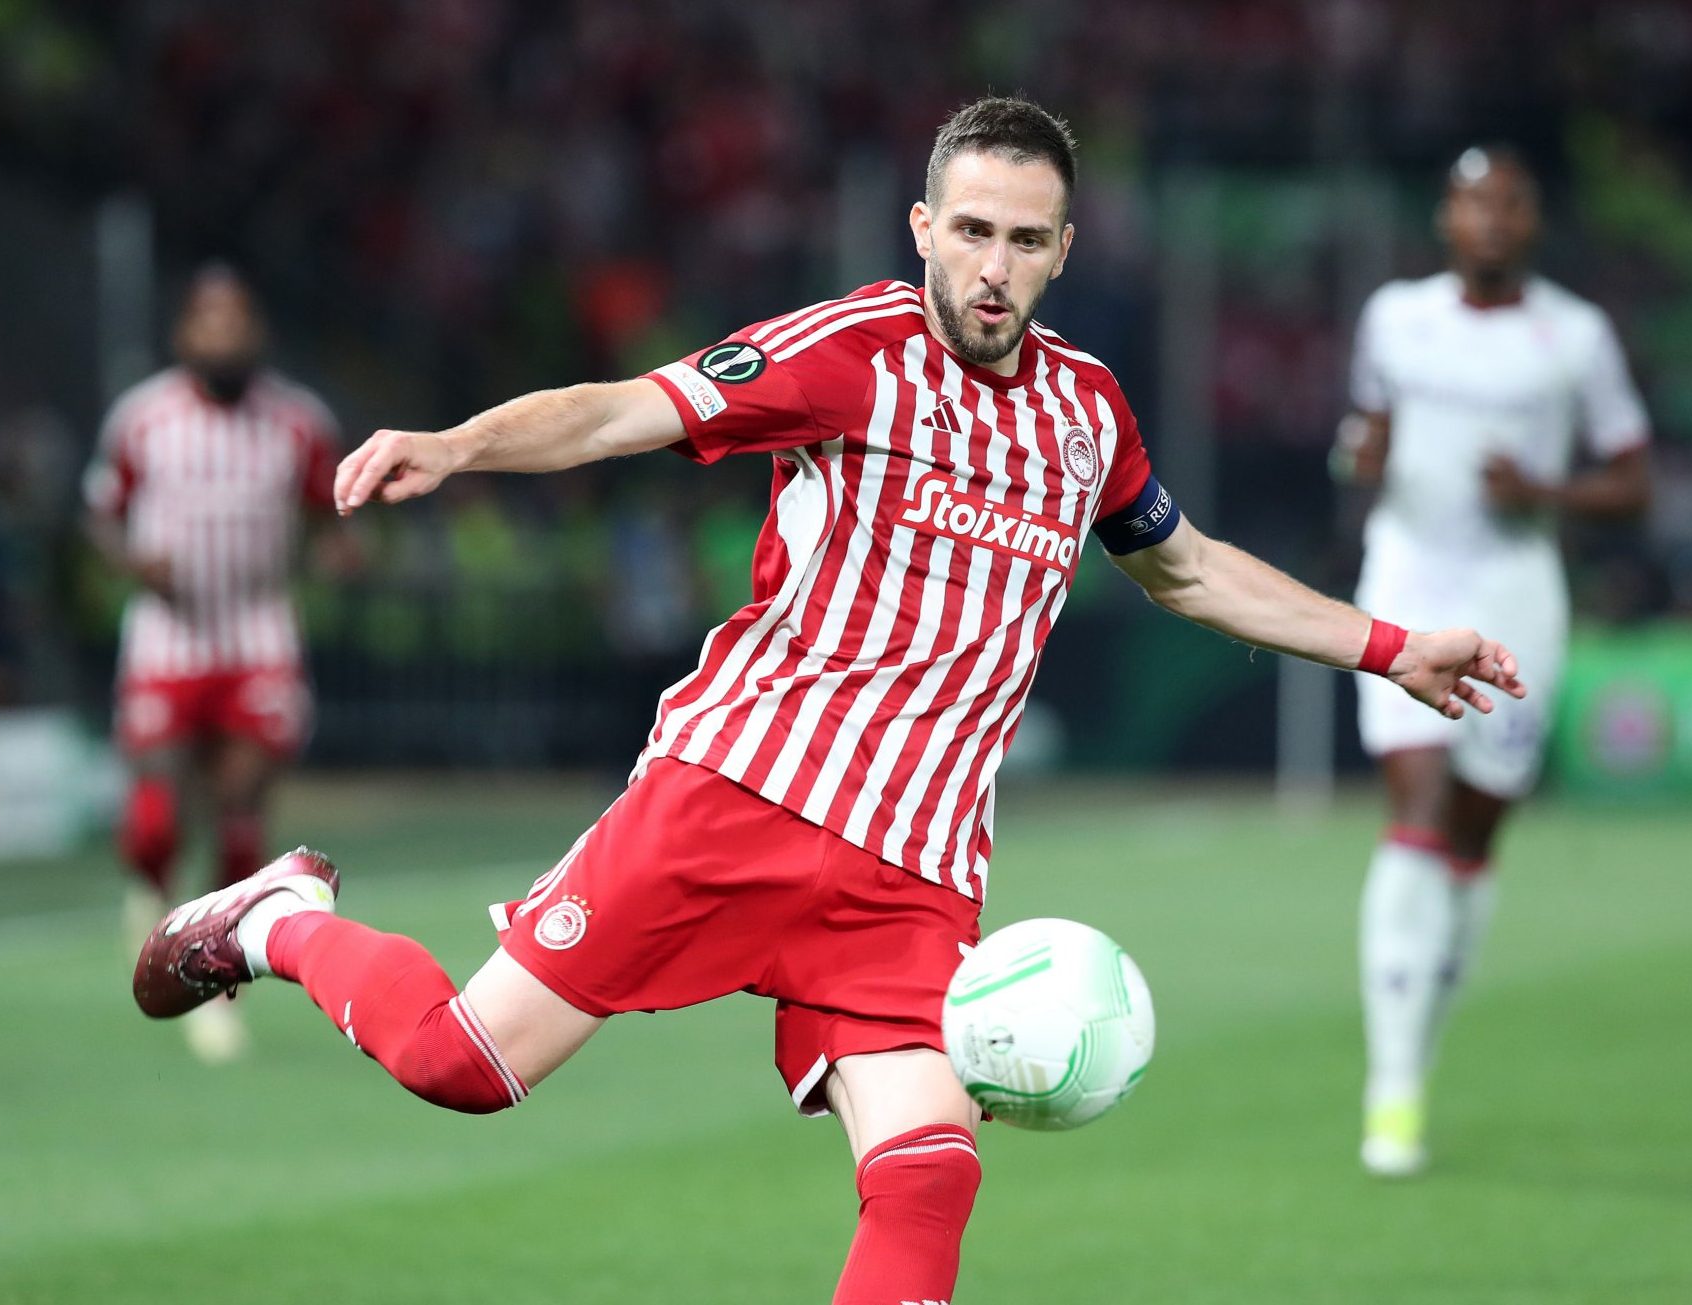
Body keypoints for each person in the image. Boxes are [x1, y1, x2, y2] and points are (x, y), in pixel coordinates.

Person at [134, 100, 1522, 1301]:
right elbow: (624, 409)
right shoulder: (848, 354)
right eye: (969, 231)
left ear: (1063, 252)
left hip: (914, 868)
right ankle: (278, 918)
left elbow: (1190, 569)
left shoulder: (1088, 413)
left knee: (927, 1174)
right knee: (461, 1065)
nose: (992, 267)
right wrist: (457, 446)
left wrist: (1388, 644)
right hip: (737, 793)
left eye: (1023, 240)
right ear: (922, 227)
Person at [1334, 146, 1651, 1177]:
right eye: (1475, 205)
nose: (1492, 222)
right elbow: (1362, 435)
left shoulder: (1574, 336)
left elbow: (1634, 479)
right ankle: (1390, 1093)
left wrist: (1545, 495)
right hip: (1408, 578)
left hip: (1516, 593)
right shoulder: (1394, 318)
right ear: (1446, 219)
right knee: (1417, 806)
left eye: (1510, 205)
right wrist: (1358, 457)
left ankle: (1416, 1050)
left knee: (1473, 830)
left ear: (1532, 222)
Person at [88, 264, 342, 1062]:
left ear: (257, 332)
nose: (223, 335)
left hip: (258, 632)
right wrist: (134, 562)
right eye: (209, 320)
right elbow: (101, 514)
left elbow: (326, 509)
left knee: (240, 802)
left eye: (237, 321)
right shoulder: (144, 418)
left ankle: (216, 977)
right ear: (184, 333)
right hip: (169, 635)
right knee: (156, 817)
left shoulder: (298, 421)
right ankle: (153, 896)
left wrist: (336, 550)